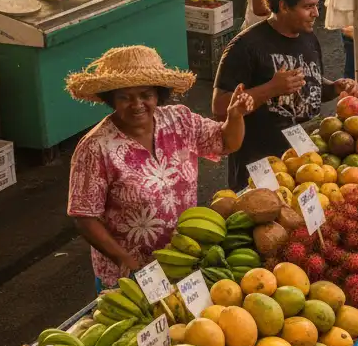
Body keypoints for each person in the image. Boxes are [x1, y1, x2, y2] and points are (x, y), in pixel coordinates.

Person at [66, 46, 252, 287]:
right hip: (130, 275)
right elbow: (84, 217)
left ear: (158, 94)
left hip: (185, 259)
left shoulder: (179, 120)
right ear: (111, 98)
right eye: (125, 97)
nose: (137, 104)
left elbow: (227, 142)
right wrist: (126, 261)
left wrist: (235, 116)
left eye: (145, 94)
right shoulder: (95, 148)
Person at [213, 0, 335, 191]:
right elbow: (220, 108)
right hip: (259, 167)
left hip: (306, 162)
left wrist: (335, 87)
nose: (316, 13)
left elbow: (311, 83)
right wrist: (271, 88)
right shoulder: (245, 47)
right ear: (284, 6)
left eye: (316, 5)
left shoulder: (308, 38)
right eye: (308, 7)